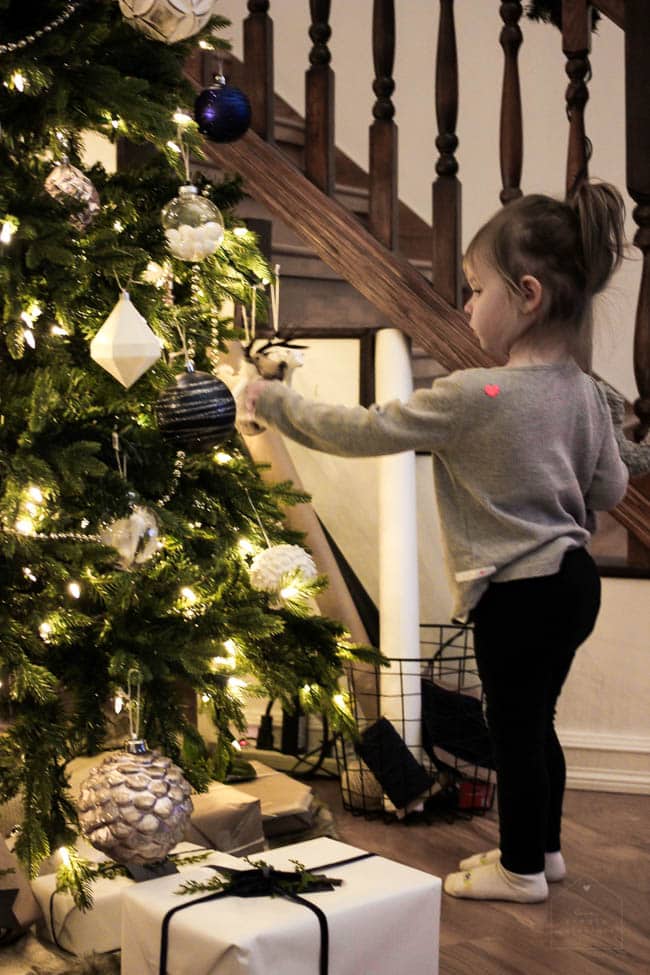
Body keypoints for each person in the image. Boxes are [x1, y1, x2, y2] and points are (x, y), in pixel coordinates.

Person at [239, 180, 630, 903]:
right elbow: (607, 491)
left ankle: (519, 871)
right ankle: (543, 852)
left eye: (475, 290)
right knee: (536, 722)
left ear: (529, 295)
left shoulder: (472, 396)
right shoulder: (583, 391)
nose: (467, 307)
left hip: (518, 593)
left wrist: (274, 400)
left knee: (513, 729)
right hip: (574, 584)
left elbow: (363, 431)